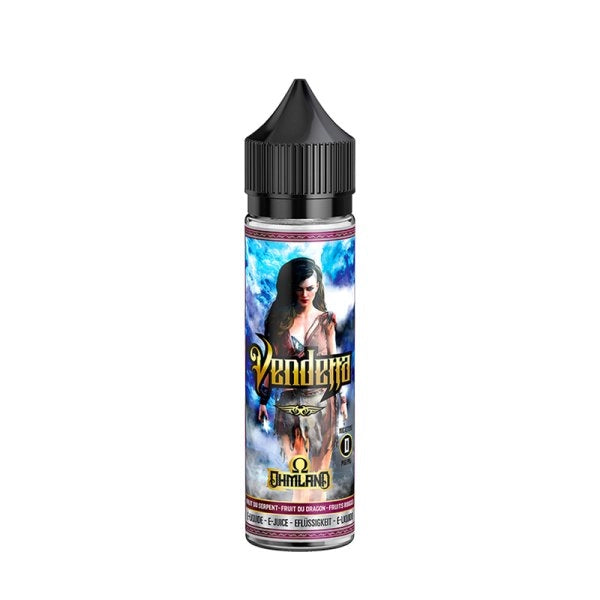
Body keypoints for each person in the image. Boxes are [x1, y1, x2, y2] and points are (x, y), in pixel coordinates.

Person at [257, 257, 347, 501]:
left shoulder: (326, 320)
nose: (304, 294)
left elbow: (334, 362)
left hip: (323, 403)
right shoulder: (279, 322)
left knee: (320, 477)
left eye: (310, 288)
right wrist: (263, 400)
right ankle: (293, 517)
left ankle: (320, 516)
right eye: (299, 288)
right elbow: (270, 363)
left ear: (317, 287)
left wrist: (342, 400)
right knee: (299, 474)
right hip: (290, 405)